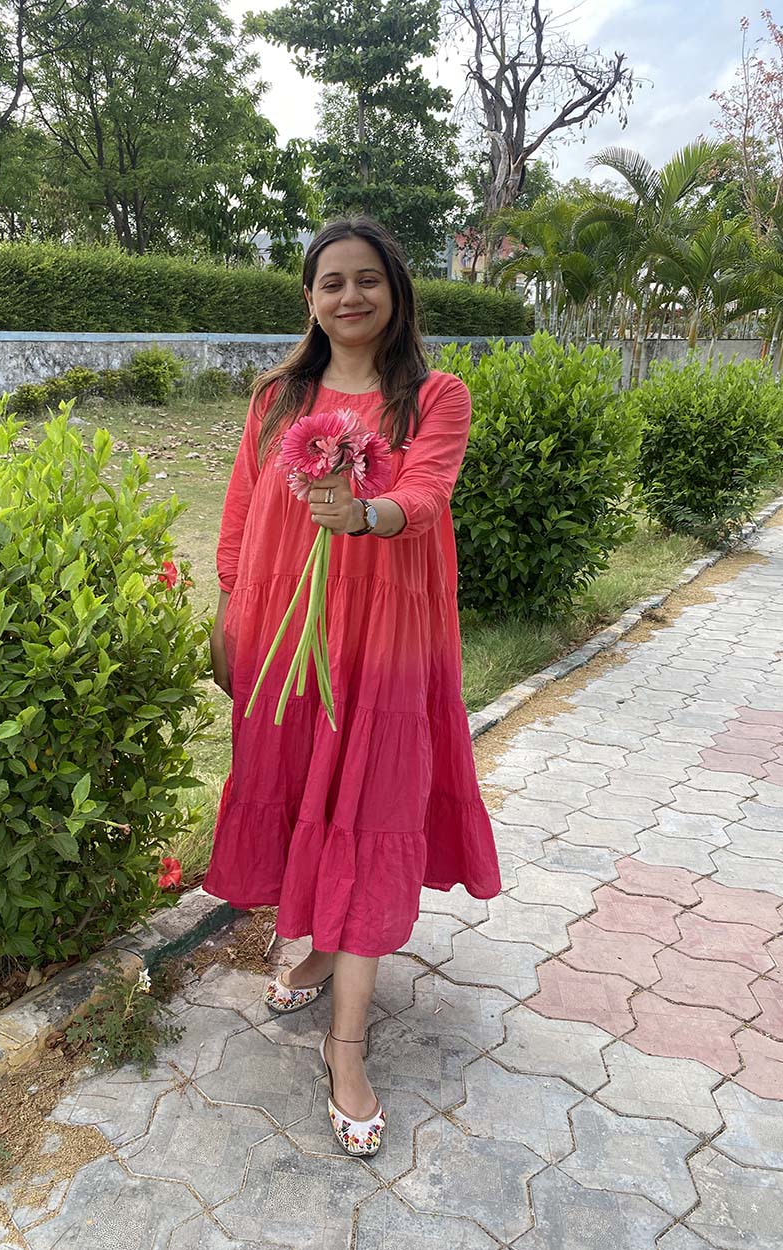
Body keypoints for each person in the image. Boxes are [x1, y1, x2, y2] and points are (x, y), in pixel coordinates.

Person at [203, 215, 502, 1157]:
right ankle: (325, 943)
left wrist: (364, 514)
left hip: (387, 640)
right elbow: (241, 511)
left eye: (367, 278)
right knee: (306, 794)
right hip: (286, 634)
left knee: (369, 806)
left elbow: (427, 496)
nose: (349, 296)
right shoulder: (277, 397)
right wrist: (227, 612)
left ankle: (347, 1045)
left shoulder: (434, 397)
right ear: (309, 298)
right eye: (331, 282)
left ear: (396, 291)